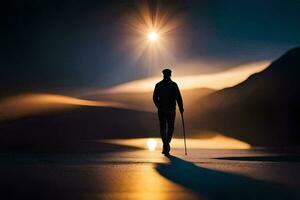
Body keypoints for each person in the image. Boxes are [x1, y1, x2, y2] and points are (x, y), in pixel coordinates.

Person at [153, 69, 184, 156]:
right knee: (170, 127)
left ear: (163, 75)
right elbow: (179, 97)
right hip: (171, 110)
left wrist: (159, 106)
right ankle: (166, 144)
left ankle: (165, 144)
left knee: (163, 127)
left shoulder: (159, 85)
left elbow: (154, 98)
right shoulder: (173, 85)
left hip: (161, 110)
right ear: (170, 75)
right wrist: (181, 108)